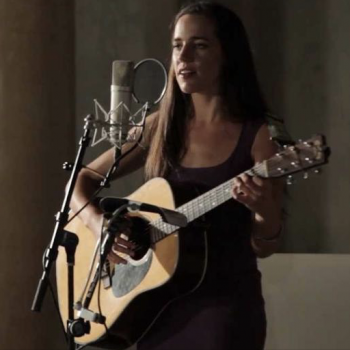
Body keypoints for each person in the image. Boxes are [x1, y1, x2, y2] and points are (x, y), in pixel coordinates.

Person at [70, 1, 284, 349]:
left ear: (228, 54)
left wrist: (264, 210)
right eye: (177, 45)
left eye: (199, 46)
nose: (183, 57)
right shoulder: (161, 126)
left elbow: (265, 244)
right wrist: (98, 225)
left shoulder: (259, 136)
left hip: (224, 309)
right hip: (156, 306)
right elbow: (82, 179)